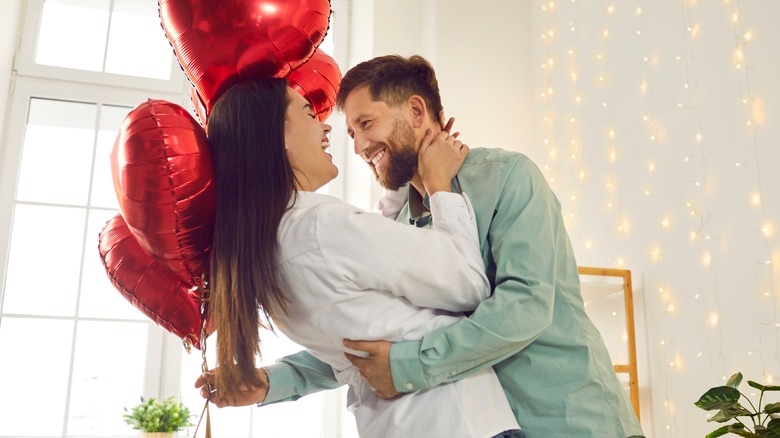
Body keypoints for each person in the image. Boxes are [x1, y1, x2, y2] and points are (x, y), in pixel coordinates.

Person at [223, 55, 646, 437]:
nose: (358, 147)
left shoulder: (508, 176)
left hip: (570, 421)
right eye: (351, 133)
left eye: (366, 124)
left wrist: (405, 366)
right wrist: (275, 381)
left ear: (415, 111)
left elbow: (526, 306)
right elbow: (375, 337)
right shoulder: (400, 224)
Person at [197, 77, 521, 437]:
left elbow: (366, 297)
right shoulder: (320, 226)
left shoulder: (267, 248)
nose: (326, 128)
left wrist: (400, 178)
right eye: (309, 114)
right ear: (276, 137)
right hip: (460, 420)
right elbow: (468, 283)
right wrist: (438, 186)